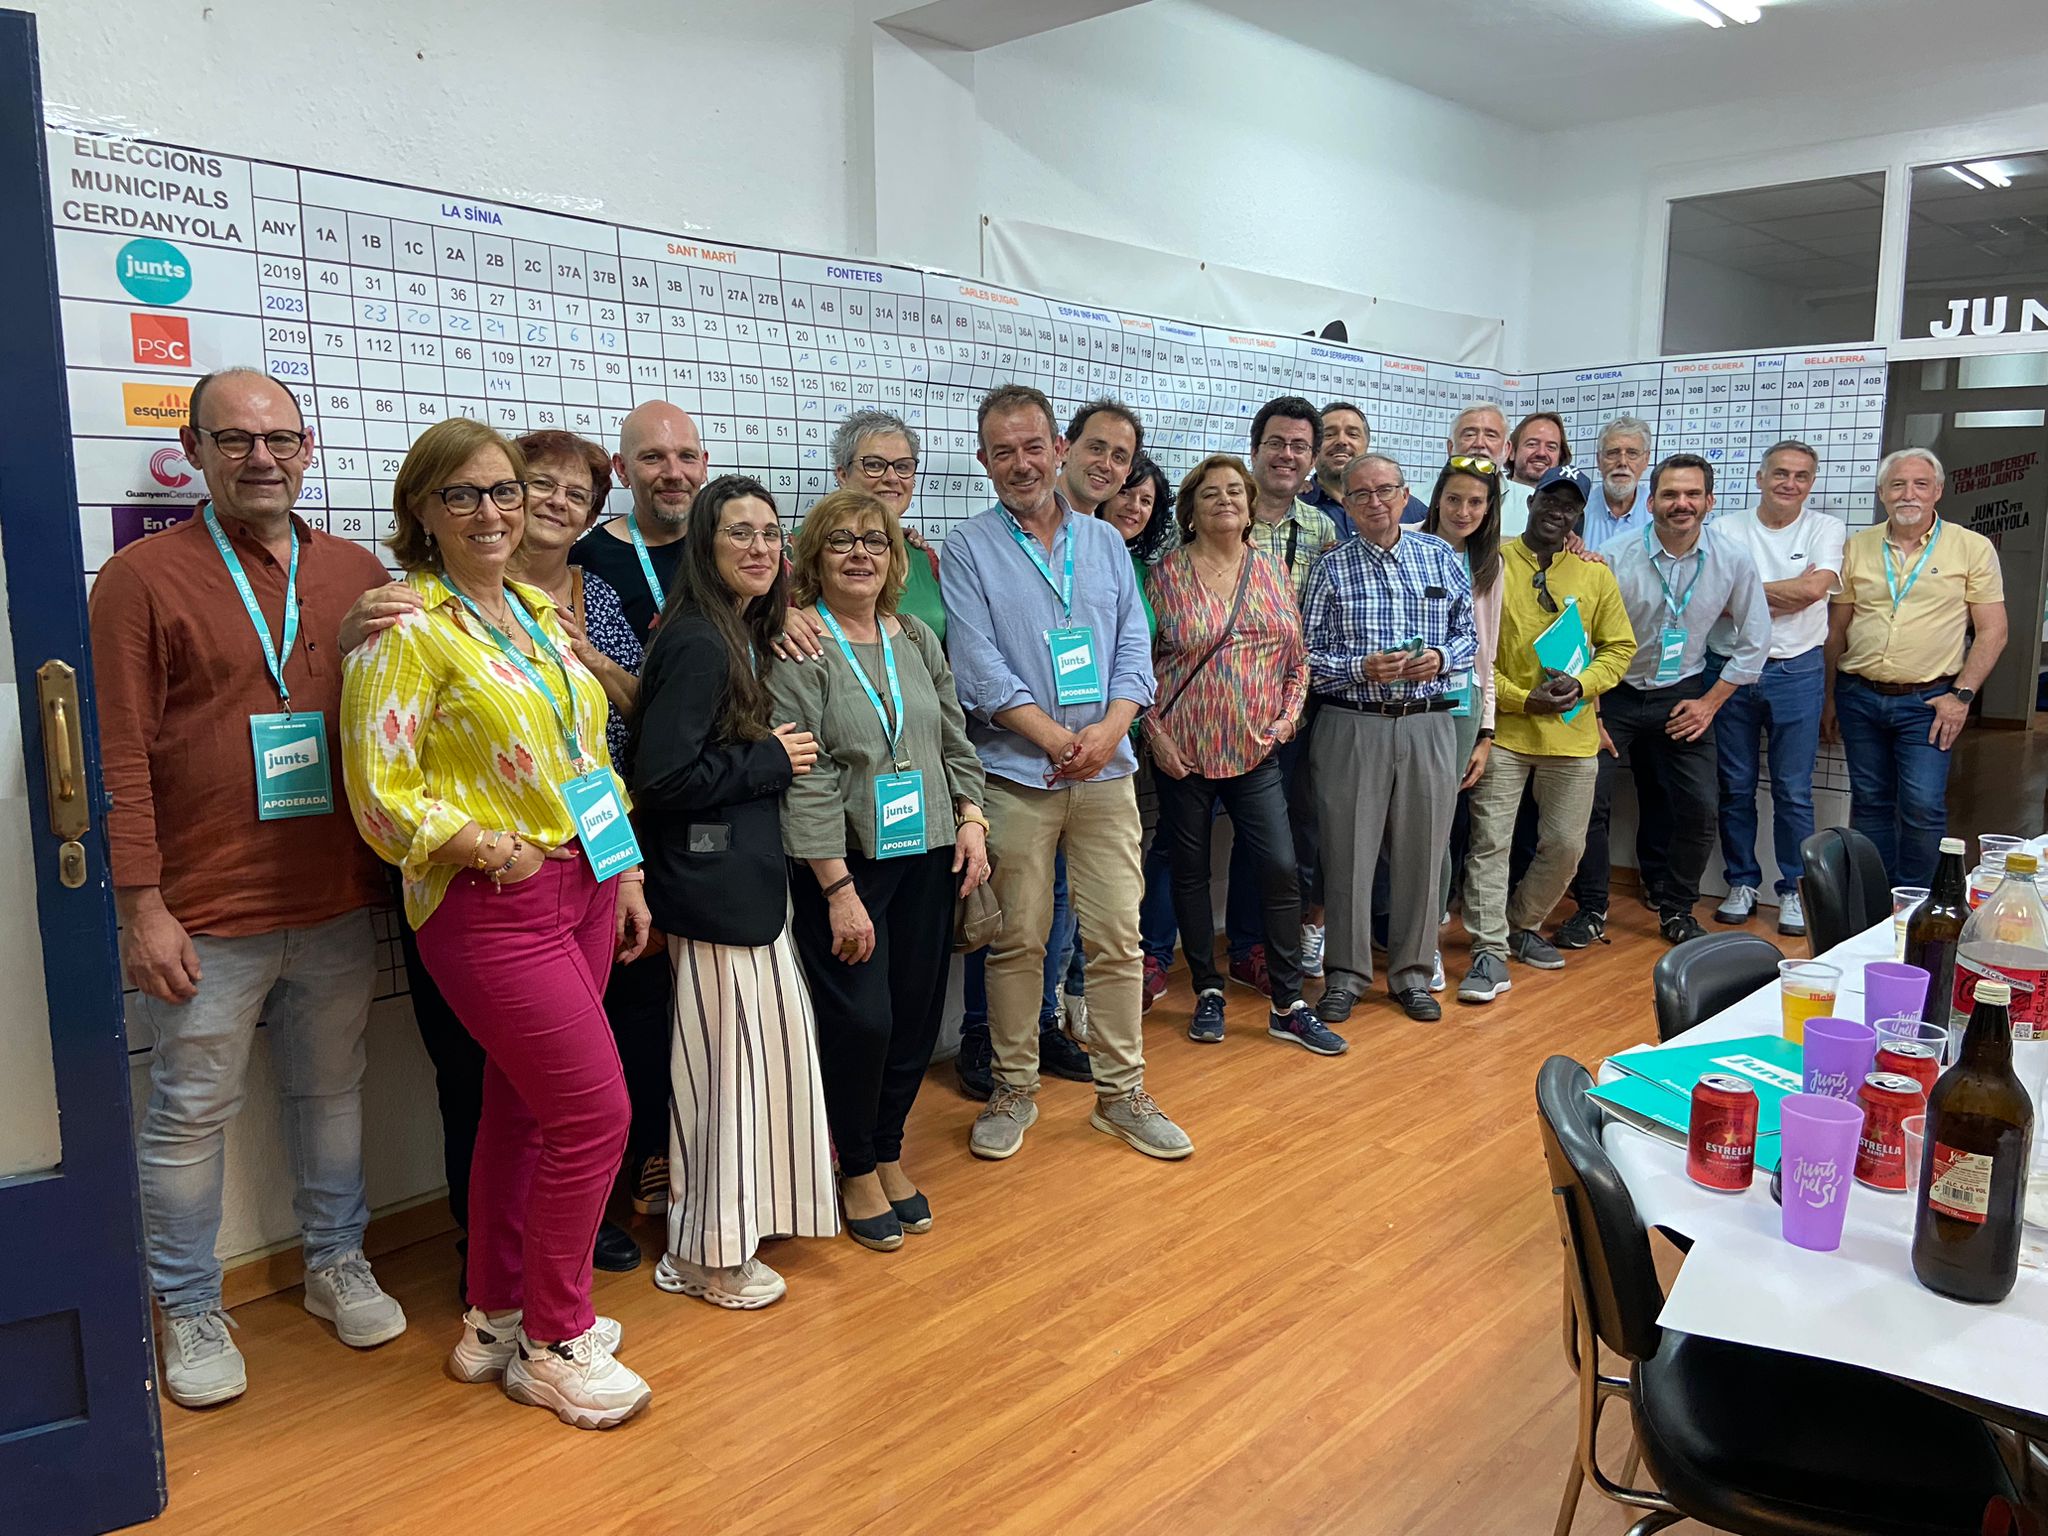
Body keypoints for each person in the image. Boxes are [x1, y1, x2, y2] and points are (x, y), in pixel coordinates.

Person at [91, 367, 402, 1410]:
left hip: (333, 898)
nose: (261, 457)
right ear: (196, 450)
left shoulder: (357, 570)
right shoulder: (142, 577)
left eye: (280, 438)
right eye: (235, 440)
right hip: (205, 913)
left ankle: (335, 1262)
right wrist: (142, 905)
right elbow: (118, 755)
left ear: (307, 448)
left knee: (330, 1092)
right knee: (188, 1114)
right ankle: (186, 1305)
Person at [341, 416, 654, 1429]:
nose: (491, 512)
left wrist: (627, 871)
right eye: (462, 495)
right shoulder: (405, 627)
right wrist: (482, 845)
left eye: (504, 493)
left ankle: (495, 1312)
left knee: (525, 1109)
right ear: (422, 512)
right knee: (594, 1115)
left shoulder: (535, 613)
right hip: (491, 903)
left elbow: (586, 754)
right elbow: (380, 795)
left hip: (585, 886)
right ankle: (555, 1341)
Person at [942, 383, 1190, 1161]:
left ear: (1058, 450)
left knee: (1117, 937)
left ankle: (1122, 1095)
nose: (1022, 463)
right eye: (1004, 451)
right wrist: (1054, 738)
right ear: (985, 462)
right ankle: (1015, 1088)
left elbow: (1130, 649)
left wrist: (1110, 728)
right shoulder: (967, 547)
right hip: (1019, 775)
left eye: (1033, 446)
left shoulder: (1107, 541)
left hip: (1107, 774)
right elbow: (976, 663)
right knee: (1017, 940)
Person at [628, 475, 838, 1307]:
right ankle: (707, 1256)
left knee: (748, 1068)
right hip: (710, 891)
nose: (758, 548)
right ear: (705, 550)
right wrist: (772, 760)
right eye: (737, 534)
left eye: (769, 534)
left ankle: (723, 1234)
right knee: (721, 1077)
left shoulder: (742, 633)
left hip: (745, 885)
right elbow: (663, 776)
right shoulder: (700, 642)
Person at [770, 488, 989, 1250]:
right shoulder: (800, 646)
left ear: (896, 558)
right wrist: (835, 889)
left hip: (929, 853)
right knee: (863, 1021)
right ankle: (854, 1164)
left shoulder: (916, 640)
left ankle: (890, 1150)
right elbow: (808, 773)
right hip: (847, 866)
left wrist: (972, 818)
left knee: (916, 1015)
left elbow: (955, 736)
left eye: (874, 541)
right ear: (812, 559)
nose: (859, 554)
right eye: (840, 542)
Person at [1146, 455, 1342, 1053]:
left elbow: (1297, 657)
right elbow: (1136, 663)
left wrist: (1287, 720)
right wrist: (1155, 732)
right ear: (1191, 508)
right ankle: (1207, 989)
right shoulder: (1165, 575)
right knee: (1191, 871)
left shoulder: (1272, 572)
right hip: (1184, 754)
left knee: (1280, 867)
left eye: (1236, 491)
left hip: (1257, 752)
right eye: (1211, 493)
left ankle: (1288, 1002)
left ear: (1251, 503)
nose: (1225, 500)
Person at [1553, 454, 1770, 949]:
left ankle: (1676, 910)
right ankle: (1590, 910)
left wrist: (1711, 703)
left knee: (1699, 808)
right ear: (1650, 503)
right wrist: (1593, 710)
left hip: (1684, 694)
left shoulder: (1731, 559)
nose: (1682, 504)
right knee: (1589, 803)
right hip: (1615, 693)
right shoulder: (1614, 555)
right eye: (1670, 495)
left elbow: (1755, 641)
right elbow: (1579, 639)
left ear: (1709, 502)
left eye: (1693, 494)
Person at [1303, 452, 1476, 1024]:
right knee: (1347, 854)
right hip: (1354, 724)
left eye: (1385, 491)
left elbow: (1469, 640)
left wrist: (1440, 657)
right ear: (1345, 506)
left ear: (1406, 496)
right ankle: (1346, 976)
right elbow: (1304, 656)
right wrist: (1359, 670)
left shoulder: (1441, 558)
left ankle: (1411, 976)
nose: (1374, 502)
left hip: (1429, 723)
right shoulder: (1330, 568)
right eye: (1360, 495)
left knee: (1424, 854)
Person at [1457, 468, 1637, 1005]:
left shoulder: (1595, 574)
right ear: (1531, 500)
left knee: (1565, 845)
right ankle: (1488, 949)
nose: (1559, 511)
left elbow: (1619, 648)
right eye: (1550, 500)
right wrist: (1519, 697)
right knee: (1490, 843)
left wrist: (1583, 684)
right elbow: (1474, 650)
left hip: (1572, 735)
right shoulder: (1491, 562)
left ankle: (1519, 923)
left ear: (1580, 515)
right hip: (1507, 732)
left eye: (1571, 506)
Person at [1825, 447, 2008, 886]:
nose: (1909, 494)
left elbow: (1993, 631)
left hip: (1930, 702)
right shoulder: (1857, 547)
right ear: (1883, 493)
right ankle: (1873, 902)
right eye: (1898, 485)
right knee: (1869, 801)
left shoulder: (1972, 548)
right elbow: (1837, 629)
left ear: (1937, 492)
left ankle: (1918, 904)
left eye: (1920, 484)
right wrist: (1828, 696)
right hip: (1859, 695)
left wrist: (1962, 696)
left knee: (1923, 804)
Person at [1226, 396, 1340, 995]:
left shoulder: (1322, 529)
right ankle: (1164, 955)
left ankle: (1251, 948)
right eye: (1276, 442)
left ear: (1313, 458)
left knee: (1273, 835)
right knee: (1179, 843)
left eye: (1300, 446)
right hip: (1215, 708)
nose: (1287, 455)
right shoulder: (1219, 508)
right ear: (1256, 447)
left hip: (1289, 711)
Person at [1708, 439, 1843, 936]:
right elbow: (1708, 596)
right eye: (1780, 474)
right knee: (1734, 787)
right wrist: (1781, 593)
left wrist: (1742, 591)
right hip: (1729, 668)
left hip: (1798, 670)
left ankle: (1793, 890)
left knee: (1792, 791)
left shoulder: (1826, 528)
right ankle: (1741, 882)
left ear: (1811, 483)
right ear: (1760, 478)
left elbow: (1813, 590)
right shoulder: (1725, 527)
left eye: (1801, 476)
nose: (1790, 484)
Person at [1097, 454, 1179, 1010]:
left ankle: (1096, 989)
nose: (1134, 506)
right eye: (1127, 492)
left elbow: (1146, 659)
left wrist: (1136, 723)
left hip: (1125, 737)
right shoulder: (1065, 555)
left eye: (1147, 500)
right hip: (1052, 737)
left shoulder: (1149, 573)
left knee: (1111, 875)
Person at [1419, 457, 1505, 935]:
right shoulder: (1407, 539)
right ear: (1437, 500)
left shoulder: (1490, 564)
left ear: (1489, 509)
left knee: (1438, 825)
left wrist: (1486, 732)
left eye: (1476, 502)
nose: (1463, 511)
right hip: (1406, 698)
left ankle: (1428, 930)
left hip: (1461, 708)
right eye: (1454, 499)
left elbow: (1485, 654)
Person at [570, 401, 709, 641]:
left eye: (687, 456)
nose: (674, 474)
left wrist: (779, 619)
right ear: (622, 469)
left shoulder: (727, 543)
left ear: (704, 465)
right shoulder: (587, 562)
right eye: (653, 457)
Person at [1449, 402, 1530, 536]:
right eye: (1469, 435)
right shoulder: (1418, 500)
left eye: (1491, 435)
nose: (1479, 443)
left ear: (1507, 450)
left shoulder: (1530, 503)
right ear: (1451, 448)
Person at [1578, 416, 1654, 555]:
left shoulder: (1658, 511)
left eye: (1632, 453)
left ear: (1646, 459)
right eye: (1612, 453)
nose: (1622, 462)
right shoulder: (1580, 508)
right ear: (1598, 460)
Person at [1059, 396, 1142, 516]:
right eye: (1096, 449)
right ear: (1066, 450)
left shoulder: (1105, 532)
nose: (1105, 465)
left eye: (1118, 457)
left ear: (1127, 473)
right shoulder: (1026, 513)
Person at [1300, 399, 1370, 536]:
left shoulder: (1404, 507)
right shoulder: (1291, 505)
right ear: (1314, 448)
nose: (1342, 441)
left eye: (1353, 434)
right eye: (1329, 435)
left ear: (1366, 445)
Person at [1507, 412, 1571, 488]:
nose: (1541, 453)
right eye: (1532, 444)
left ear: (1560, 457)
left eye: (1551, 447)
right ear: (1511, 452)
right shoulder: (1491, 497)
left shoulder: (1571, 499)